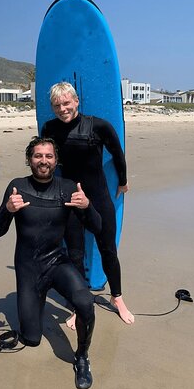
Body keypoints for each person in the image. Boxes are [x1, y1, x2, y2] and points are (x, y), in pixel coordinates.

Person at [0, 137, 101, 389]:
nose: (43, 161)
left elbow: (97, 227)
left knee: (85, 302)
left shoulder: (68, 187)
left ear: (56, 160)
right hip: (28, 268)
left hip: (56, 262)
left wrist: (87, 206)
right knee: (31, 339)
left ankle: (82, 357)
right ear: (29, 159)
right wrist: (8, 209)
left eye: (49, 156)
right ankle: (35, 302)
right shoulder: (17, 186)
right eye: (38, 156)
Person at [41, 81, 134, 326]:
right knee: (74, 254)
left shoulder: (99, 126)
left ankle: (117, 298)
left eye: (66, 103)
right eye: (57, 105)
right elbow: (45, 163)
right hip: (69, 199)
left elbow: (117, 153)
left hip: (99, 197)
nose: (62, 109)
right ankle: (79, 303)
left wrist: (122, 182)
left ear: (76, 101)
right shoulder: (49, 128)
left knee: (107, 250)